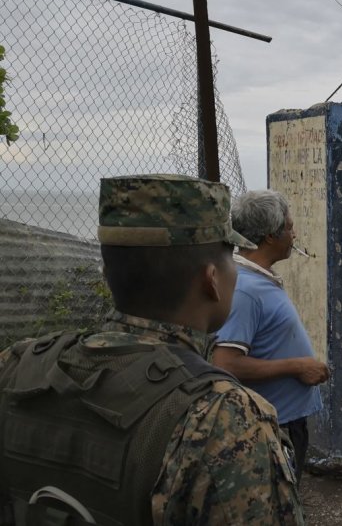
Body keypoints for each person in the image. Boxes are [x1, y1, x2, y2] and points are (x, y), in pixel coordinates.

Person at [0, 174, 304, 525]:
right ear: (212, 279)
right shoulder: (225, 417)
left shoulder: (19, 365)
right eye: (229, 258)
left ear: (107, 271)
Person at [212, 190, 329, 483]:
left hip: (284, 421)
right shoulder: (246, 290)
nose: (294, 233)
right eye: (289, 227)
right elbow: (225, 365)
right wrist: (297, 366)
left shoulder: (256, 279)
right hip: (270, 428)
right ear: (269, 236)